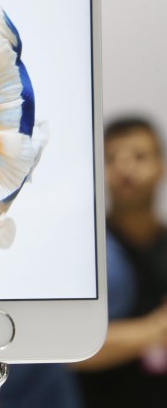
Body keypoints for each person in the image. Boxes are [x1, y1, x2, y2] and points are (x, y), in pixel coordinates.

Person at [75, 116, 167, 406]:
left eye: (139, 156)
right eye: (112, 158)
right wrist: (156, 330)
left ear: (161, 165)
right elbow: (71, 347)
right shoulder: (85, 254)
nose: (126, 168)